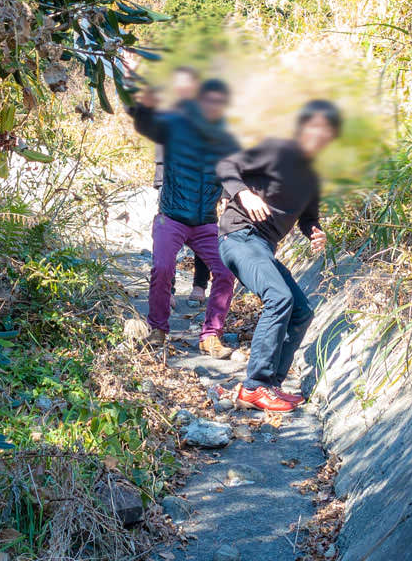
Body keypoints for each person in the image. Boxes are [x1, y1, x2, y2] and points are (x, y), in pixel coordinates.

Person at [215, 100, 342, 412]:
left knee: (302, 312)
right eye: (314, 126)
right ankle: (253, 386)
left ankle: (271, 384)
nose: (319, 135)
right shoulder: (277, 150)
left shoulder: (313, 178)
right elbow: (225, 166)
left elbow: (308, 218)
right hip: (239, 236)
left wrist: (315, 231)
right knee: (279, 297)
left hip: (262, 248)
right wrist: (243, 193)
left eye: (327, 132)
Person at [129, 77, 240, 357]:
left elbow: (232, 172)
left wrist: (230, 192)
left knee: (226, 272)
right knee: (163, 268)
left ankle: (210, 336)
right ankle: (158, 329)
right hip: (172, 217)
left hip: (205, 222)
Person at [151, 66, 212, 305]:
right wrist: (159, 181)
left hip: (204, 183)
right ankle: (169, 290)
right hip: (173, 182)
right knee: (168, 235)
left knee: (203, 228)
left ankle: (199, 285)